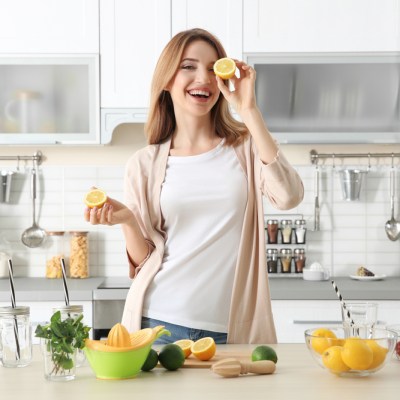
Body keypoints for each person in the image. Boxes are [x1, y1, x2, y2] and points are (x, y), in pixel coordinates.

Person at [85, 28, 304, 344]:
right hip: (158, 323)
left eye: (213, 67)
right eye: (188, 66)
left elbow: (289, 196)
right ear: (167, 80)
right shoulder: (143, 164)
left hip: (232, 330)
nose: (203, 77)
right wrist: (128, 221)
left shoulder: (247, 148)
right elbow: (145, 258)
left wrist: (249, 111)